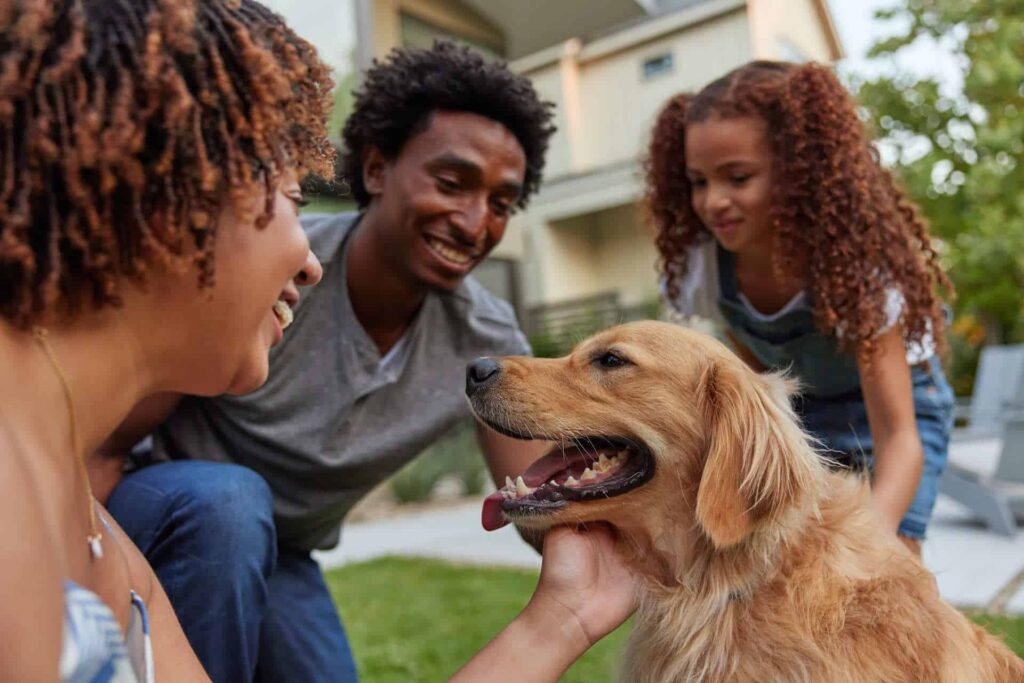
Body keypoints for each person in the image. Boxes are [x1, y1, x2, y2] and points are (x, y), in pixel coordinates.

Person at [94, 41, 564, 682]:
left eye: (502, 204)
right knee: (229, 505)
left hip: (283, 553)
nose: (475, 222)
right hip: (173, 508)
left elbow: (536, 498)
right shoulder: (279, 266)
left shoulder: (482, 337)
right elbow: (110, 441)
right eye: (451, 184)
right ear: (375, 168)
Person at [0, 0, 334, 678]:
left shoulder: (94, 528)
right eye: (294, 200)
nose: (311, 262)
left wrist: (563, 614)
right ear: (177, 187)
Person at [645, 61, 956, 555]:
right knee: (790, 559)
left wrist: (872, 539)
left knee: (888, 559)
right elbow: (757, 375)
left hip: (897, 414)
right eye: (698, 181)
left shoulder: (855, 269)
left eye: (738, 177)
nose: (713, 201)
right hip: (806, 405)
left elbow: (899, 437)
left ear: (799, 175)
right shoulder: (705, 266)